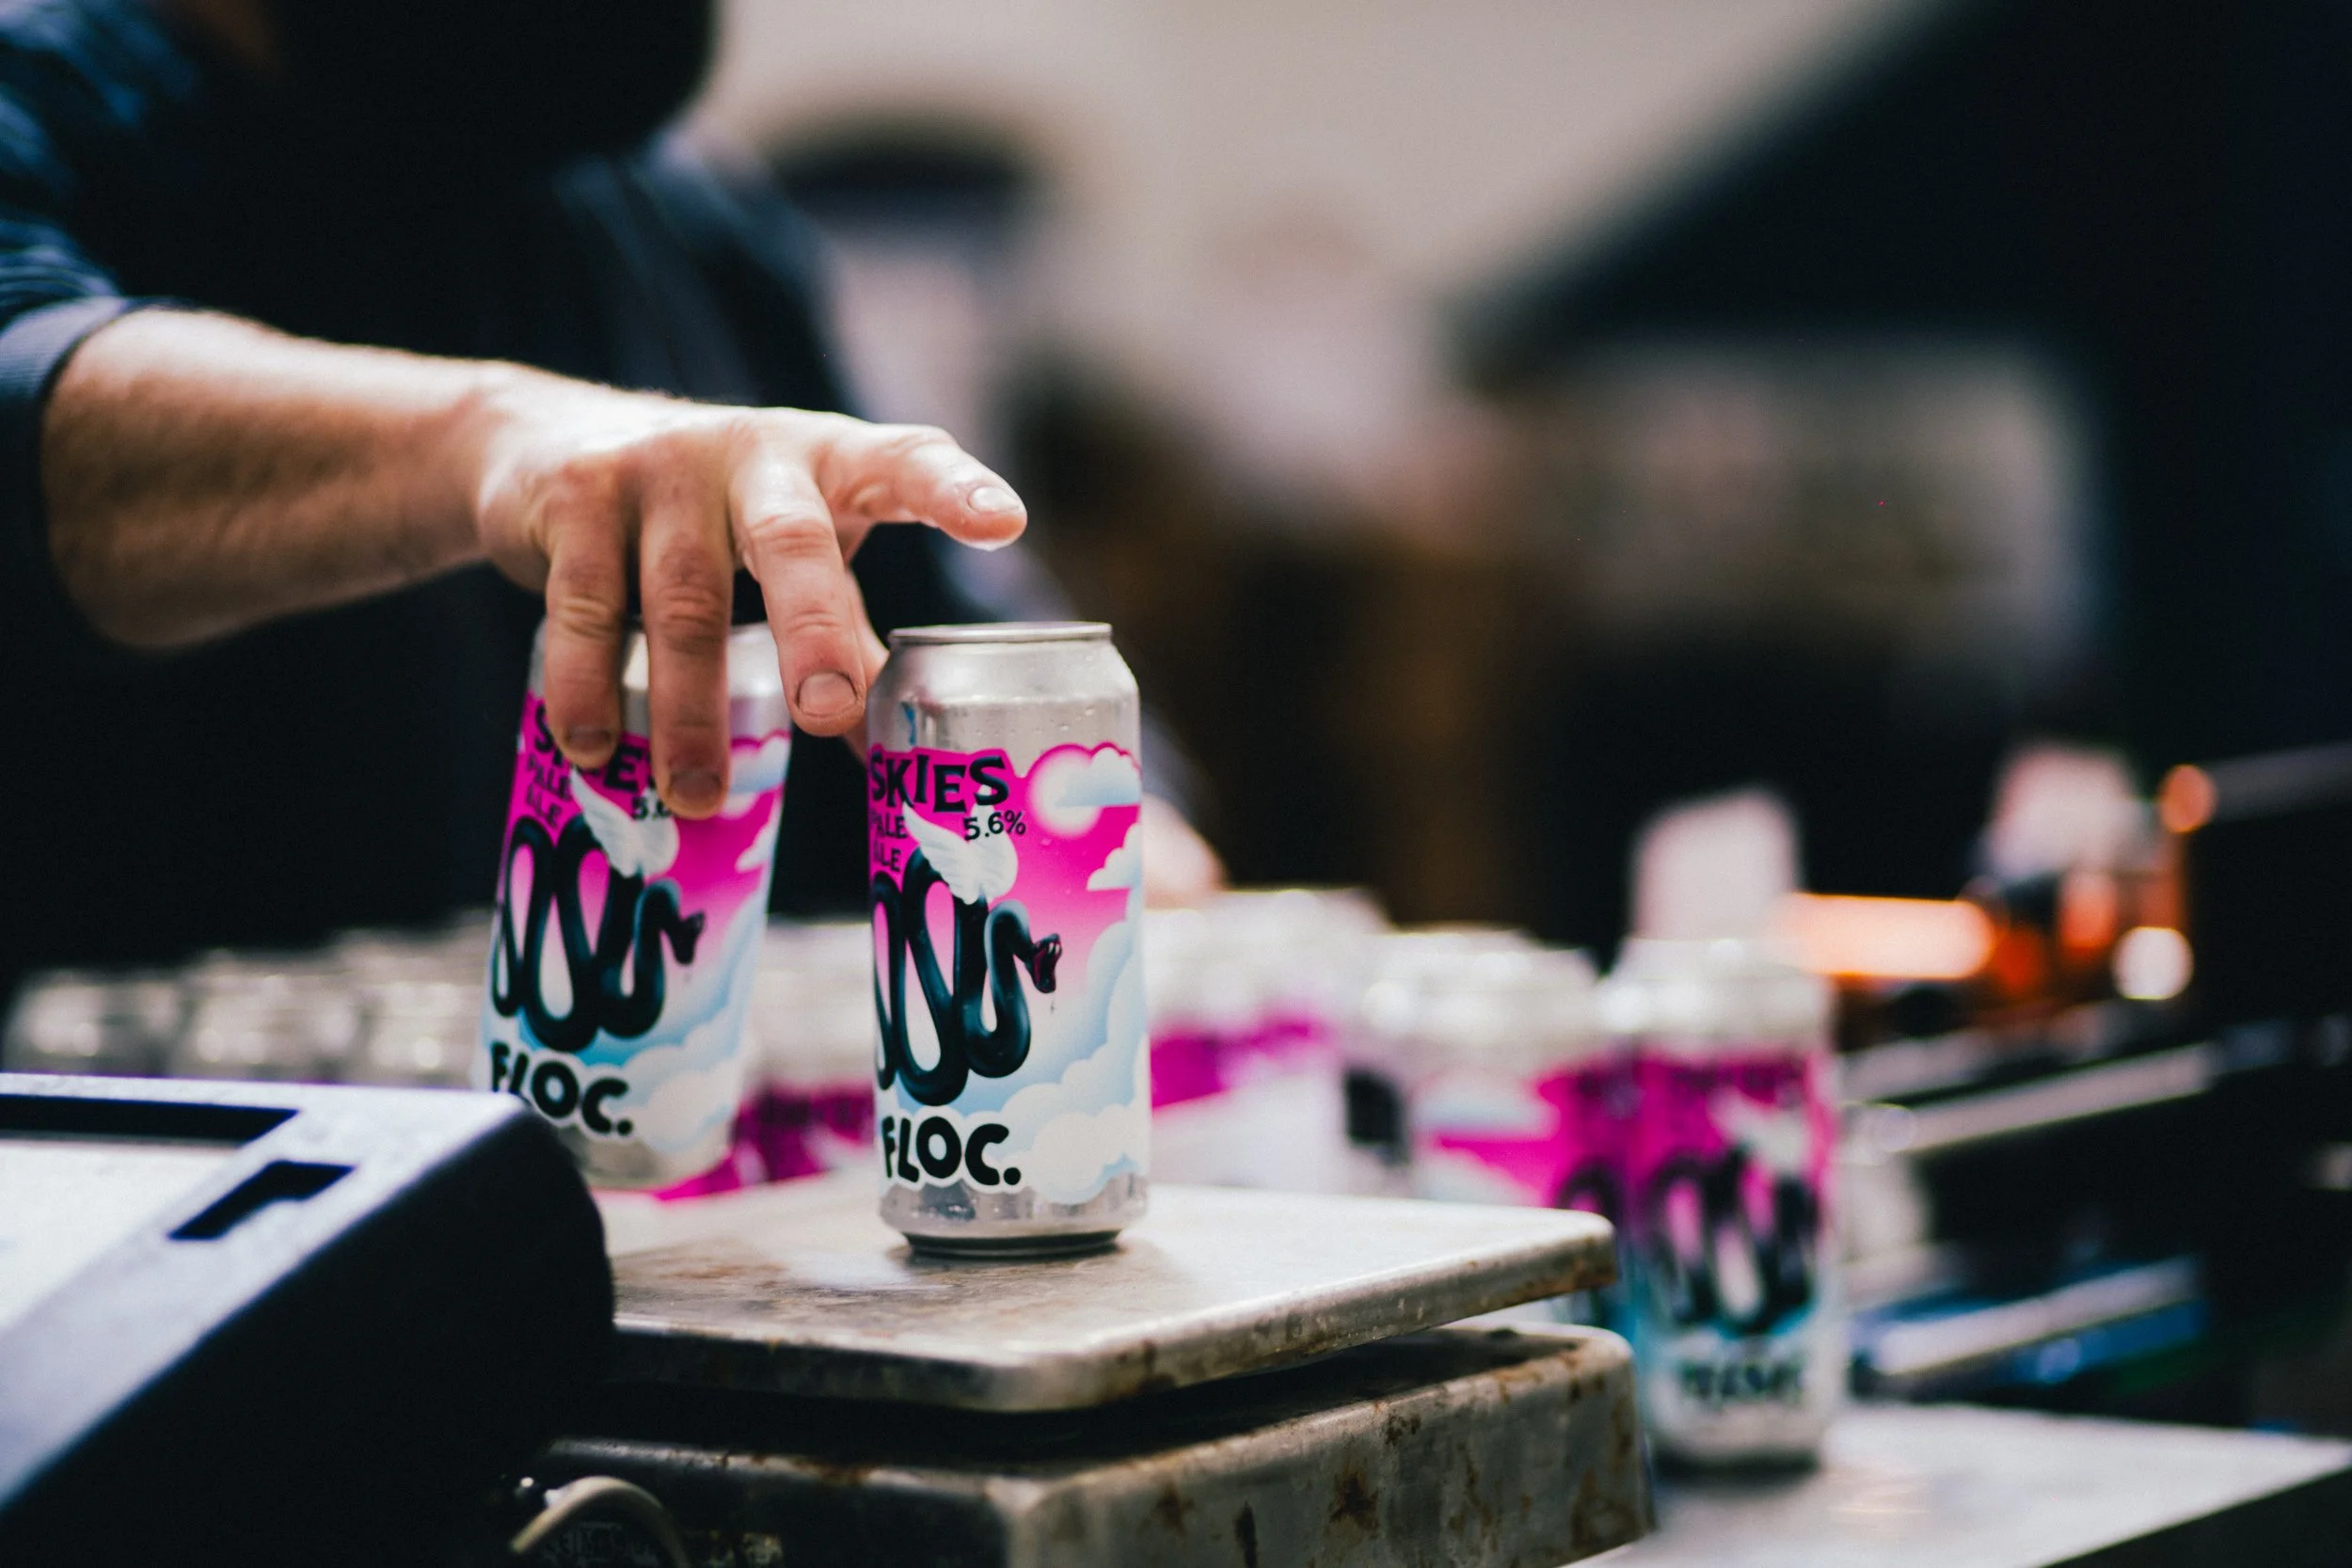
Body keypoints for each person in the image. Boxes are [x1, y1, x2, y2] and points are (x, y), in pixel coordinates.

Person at [0, 0, 1194, 996]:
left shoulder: (674, 211)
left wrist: (1108, 818)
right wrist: (498, 444)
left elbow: (939, 633)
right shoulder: (51, 102)